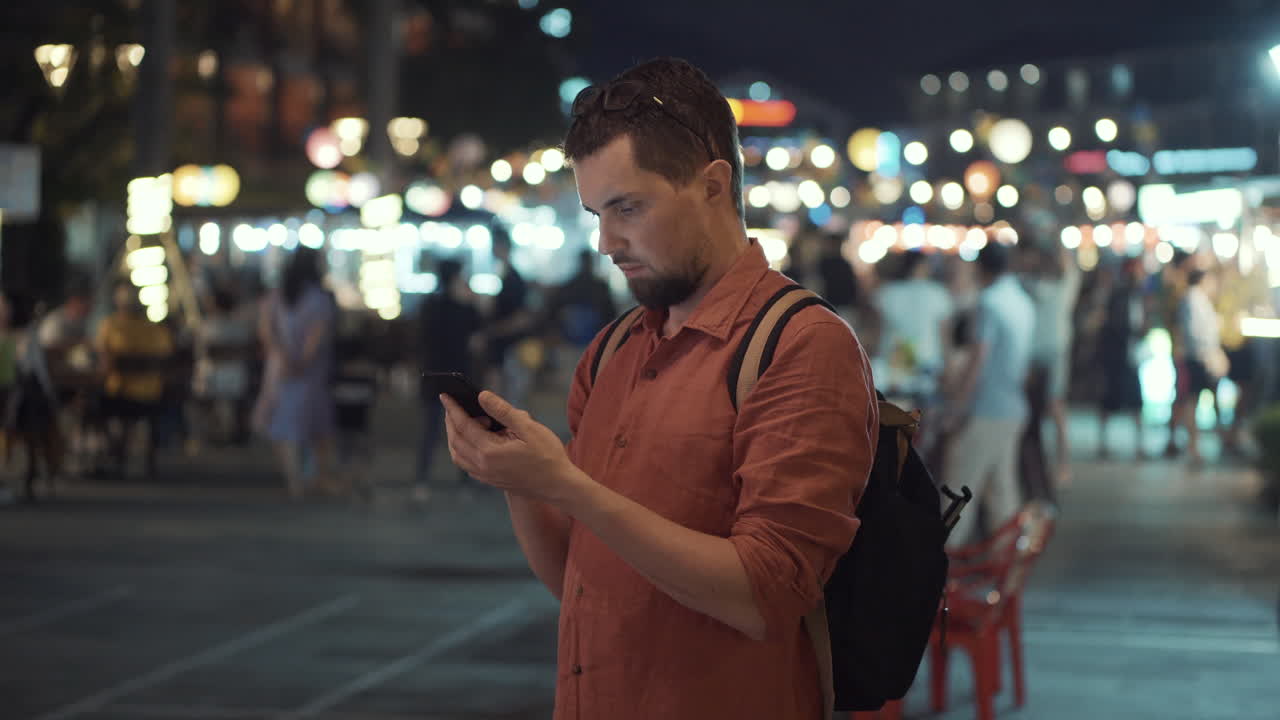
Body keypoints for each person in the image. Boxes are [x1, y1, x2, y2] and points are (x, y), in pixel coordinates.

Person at [440, 57, 878, 720]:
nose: (608, 241)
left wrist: (565, 485)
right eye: (596, 212)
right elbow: (582, 581)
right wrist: (524, 483)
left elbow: (764, 596)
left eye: (628, 208)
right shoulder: (615, 348)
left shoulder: (800, 345)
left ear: (712, 185)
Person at [940, 241, 1036, 546]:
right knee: (1002, 495)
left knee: (958, 493)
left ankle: (942, 574)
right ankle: (1008, 575)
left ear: (981, 268)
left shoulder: (989, 303)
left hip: (986, 408)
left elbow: (978, 358)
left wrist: (957, 405)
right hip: (1013, 407)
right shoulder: (1022, 300)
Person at [253, 247, 342, 497]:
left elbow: (265, 330)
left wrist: (281, 356)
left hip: (279, 369)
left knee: (283, 426)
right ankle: (314, 478)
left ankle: (295, 481)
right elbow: (317, 334)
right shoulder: (318, 298)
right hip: (310, 372)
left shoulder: (277, 295)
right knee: (315, 427)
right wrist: (302, 361)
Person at [415, 258, 483, 501]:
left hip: (433, 374)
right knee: (463, 430)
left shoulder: (429, 305)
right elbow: (477, 342)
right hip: (458, 375)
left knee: (430, 432)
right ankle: (465, 483)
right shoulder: (466, 309)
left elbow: (420, 340)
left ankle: (421, 483)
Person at [94, 282, 175, 478]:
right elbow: (168, 358)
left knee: (90, 405)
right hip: (153, 396)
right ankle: (140, 458)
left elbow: (103, 360)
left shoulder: (111, 326)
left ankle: (115, 452)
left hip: (119, 395)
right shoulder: (156, 329)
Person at [1022, 240, 1081, 484]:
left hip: (1053, 351)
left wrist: (1053, 240)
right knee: (1034, 411)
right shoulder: (1031, 284)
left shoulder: (1065, 283)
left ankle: (1062, 465)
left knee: (1055, 407)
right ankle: (1038, 465)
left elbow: (1067, 262)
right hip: (1034, 352)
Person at [873, 249, 953, 401]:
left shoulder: (887, 293)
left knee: (896, 417)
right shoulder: (939, 294)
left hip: (894, 365)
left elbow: (878, 334)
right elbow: (944, 338)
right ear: (923, 266)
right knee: (926, 417)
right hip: (929, 363)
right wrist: (949, 370)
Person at [1097, 258, 1149, 458]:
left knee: (1135, 400)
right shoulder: (1119, 295)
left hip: (1130, 356)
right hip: (1117, 356)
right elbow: (1115, 325)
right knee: (1110, 399)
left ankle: (1139, 445)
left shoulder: (1138, 296)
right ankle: (1103, 443)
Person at [1176, 268, 1228, 467]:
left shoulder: (1197, 300)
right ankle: (1194, 446)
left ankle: (1211, 441)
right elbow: (1196, 333)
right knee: (1192, 401)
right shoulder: (1193, 300)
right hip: (1199, 359)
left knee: (1197, 400)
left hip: (1201, 357)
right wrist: (1210, 354)